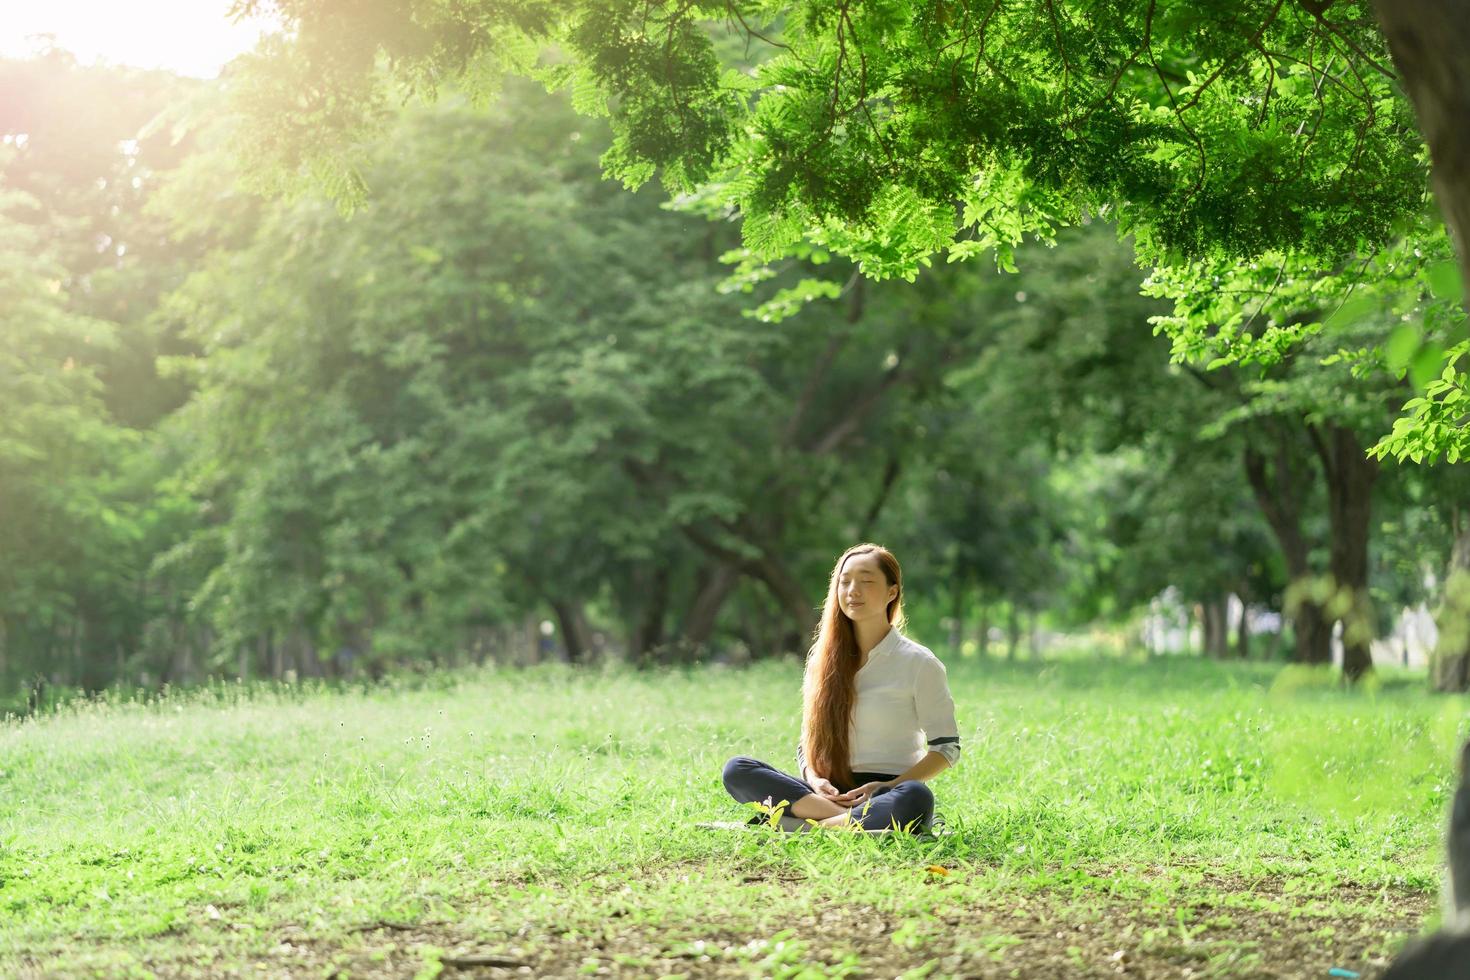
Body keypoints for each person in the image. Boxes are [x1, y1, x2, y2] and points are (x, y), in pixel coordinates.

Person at [721, 543, 961, 832]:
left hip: (887, 792)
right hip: (824, 794)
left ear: (892, 592)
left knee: (915, 796)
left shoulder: (919, 663)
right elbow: (807, 742)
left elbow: (946, 749)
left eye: (867, 581)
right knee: (738, 770)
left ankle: (806, 827)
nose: (853, 590)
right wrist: (813, 778)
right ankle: (847, 822)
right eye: (845, 582)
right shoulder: (821, 661)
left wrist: (887, 786)